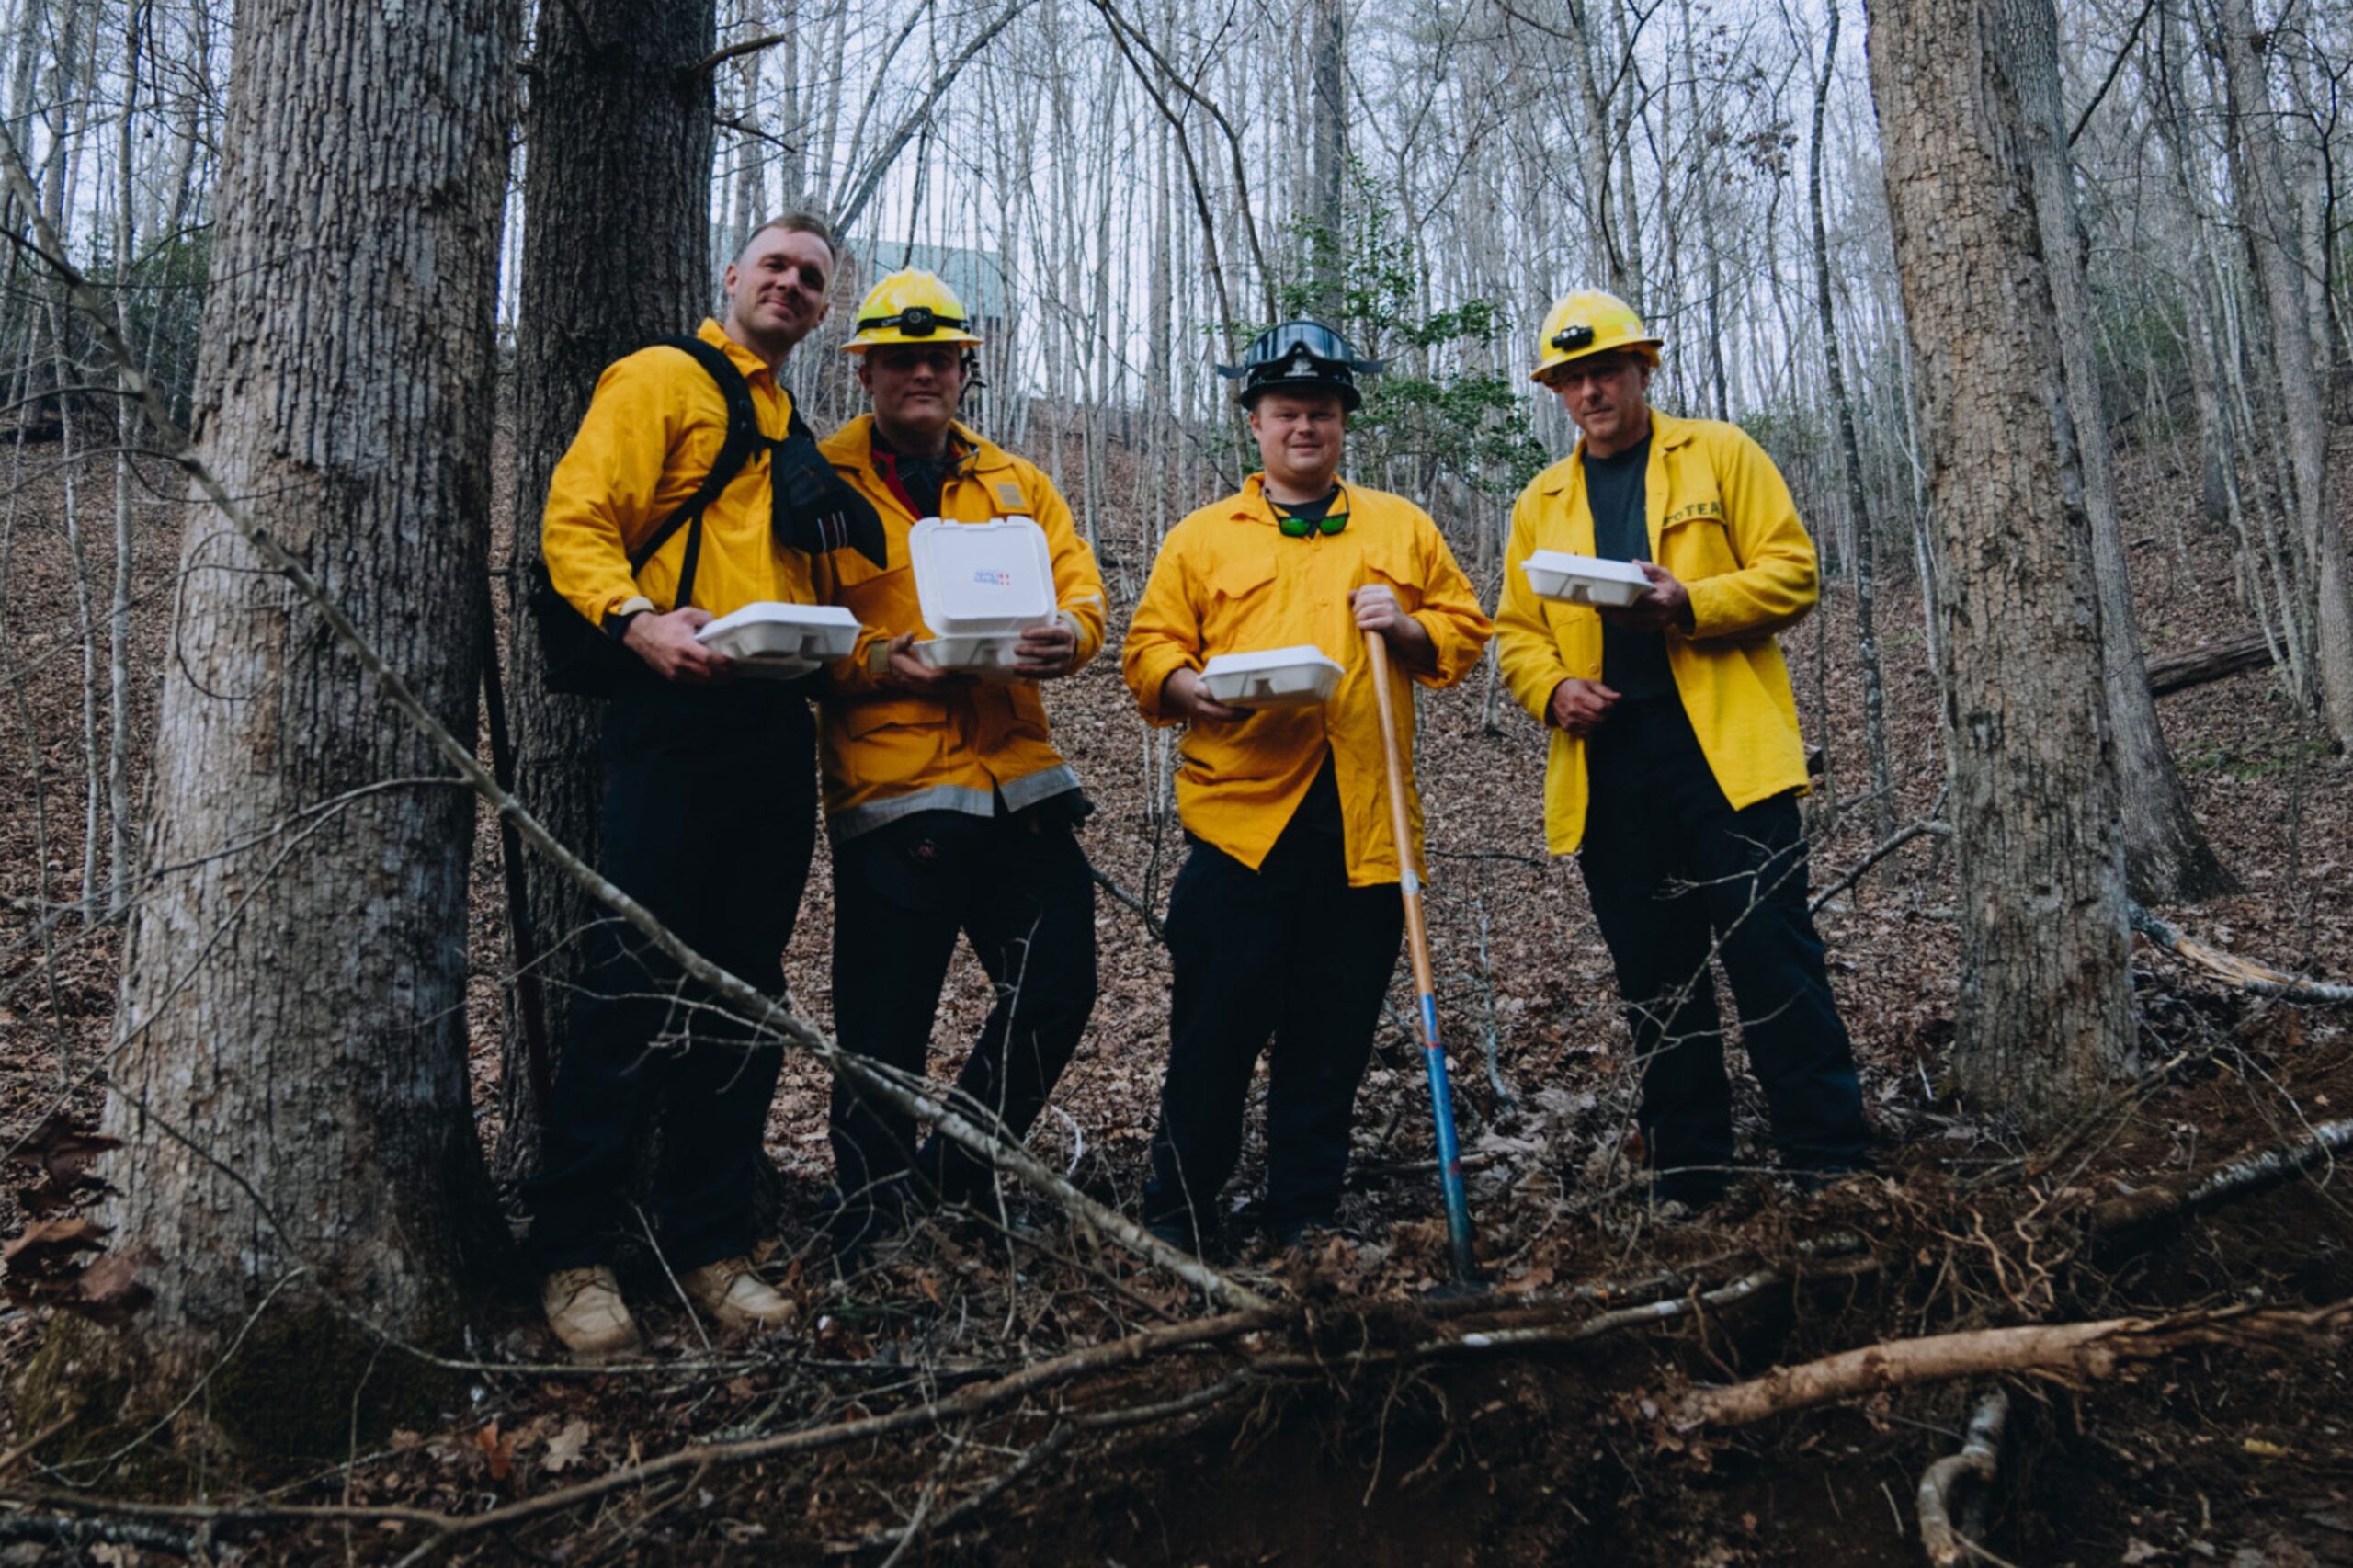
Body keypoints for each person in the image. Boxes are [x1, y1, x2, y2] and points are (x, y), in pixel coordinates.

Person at [528, 213, 882, 1356]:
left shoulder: (793, 422)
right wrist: (634, 623)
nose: (790, 285)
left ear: (825, 311)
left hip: (772, 726)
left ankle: (709, 1240)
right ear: (732, 275)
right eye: (774, 266)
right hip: (672, 712)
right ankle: (573, 1252)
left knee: (746, 990)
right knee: (627, 977)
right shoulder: (661, 379)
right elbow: (576, 521)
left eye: (812, 279)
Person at [1493, 289, 1870, 1210]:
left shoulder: (1721, 454)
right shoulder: (1540, 500)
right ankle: (1691, 1175)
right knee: (1655, 975)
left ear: (1641, 371)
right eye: (1572, 379)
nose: (1592, 392)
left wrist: (1691, 603)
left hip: (1725, 754)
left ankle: (1828, 1163)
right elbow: (1514, 631)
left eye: (1607, 372)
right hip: (1611, 765)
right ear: (1556, 391)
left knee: (1773, 956)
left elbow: (1793, 571)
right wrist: (1552, 689)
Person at [1122, 320, 1492, 1253]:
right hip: (1239, 831)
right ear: (1254, 422)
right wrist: (1190, 689)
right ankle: (1180, 1218)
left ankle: (1304, 1219)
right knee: (1213, 1039)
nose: (1303, 428)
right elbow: (1147, 651)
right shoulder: (1202, 539)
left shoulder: (1399, 526)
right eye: (1285, 411)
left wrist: (1407, 627)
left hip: (1366, 830)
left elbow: (1463, 628)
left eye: (1320, 412)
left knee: (1329, 1044)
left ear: (1343, 422)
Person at [812, 269, 1107, 1260]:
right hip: (895, 792)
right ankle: (871, 1223)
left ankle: (959, 1171)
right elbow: (797, 633)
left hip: (1021, 783)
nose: (923, 373)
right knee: (882, 1027)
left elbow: (1083, 596)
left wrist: (1070, 633)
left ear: (964, 370)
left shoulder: (1017, 483)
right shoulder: (819, 481)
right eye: (901, 358)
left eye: (940, 357)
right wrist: (881, 660)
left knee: (1059, 983)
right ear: (867, 372)